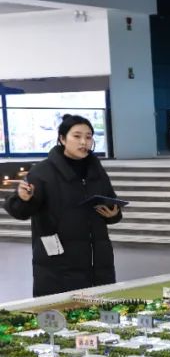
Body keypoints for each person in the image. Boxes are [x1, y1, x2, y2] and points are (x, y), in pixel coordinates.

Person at [4, 114, 122, 297]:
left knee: (100, 306)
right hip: (58, 263)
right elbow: (19, 211)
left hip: (98, 261)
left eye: (88, 137)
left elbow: (110, 201)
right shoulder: (42, 172)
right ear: (62, 139)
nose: (83, 142)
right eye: (77, 136)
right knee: (62, 309)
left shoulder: (96, 170)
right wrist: (23, 198)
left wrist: (113, 214)